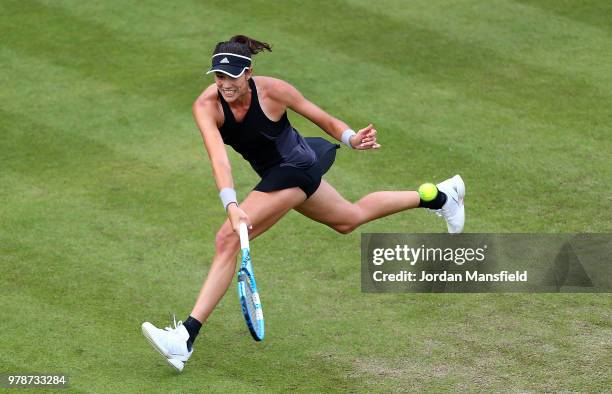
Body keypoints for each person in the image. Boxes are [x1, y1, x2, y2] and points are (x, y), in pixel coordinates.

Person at [141, 35, 465, 372]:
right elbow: (219, 159)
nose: (225, 84)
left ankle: (184, 338)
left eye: (232, 76)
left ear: (248, 72)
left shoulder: (274, 90)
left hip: (299, 166)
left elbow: (322, 119)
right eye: (219, 77)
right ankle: (439, 196)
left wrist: (352, 138)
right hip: (277, 175)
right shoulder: (206, 106)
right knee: (347, 219)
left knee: (226, 239)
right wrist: (232, 203)